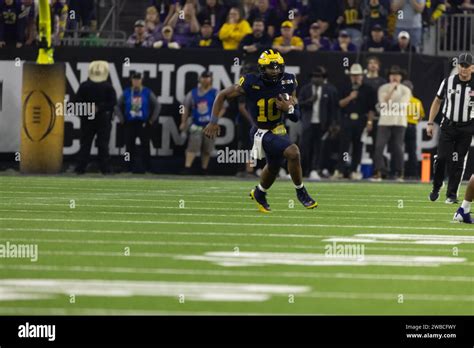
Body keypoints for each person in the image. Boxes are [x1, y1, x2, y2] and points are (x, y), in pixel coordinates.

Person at [203, 49, 318, 212]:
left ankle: (259, 193)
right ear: (262, 68)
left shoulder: (288, 81)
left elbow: (296, 117)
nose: (276, 70)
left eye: (278, 67)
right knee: (293, 152)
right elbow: (222, 95)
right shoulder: (250, 82)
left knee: (273, 167)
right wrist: (213, 122)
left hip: (279, 130)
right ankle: (301, 192)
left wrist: (289, 109)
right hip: (260, 131)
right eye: (271, 67)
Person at [427, 53, 474, 204]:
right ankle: (436, 186)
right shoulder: (448, 82)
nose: (464, 69)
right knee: (441, 158)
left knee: (458, 160)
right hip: (448, 126)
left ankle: (452, 194)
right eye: (461, 65)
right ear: (458, 66)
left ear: (472, 68)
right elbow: (437, 101)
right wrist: (430, 122)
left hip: (466, 127)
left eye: (467, 66)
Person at [333, 63, 376, 180]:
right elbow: (339, 104)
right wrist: (350, 97)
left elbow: (371, 109)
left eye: (358, 75)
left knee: (358, 146)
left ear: (362, 76)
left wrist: (369, 122)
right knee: (344, 146)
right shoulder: (344, 87)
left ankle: (353, 170)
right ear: (350, 76)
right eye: (353, 75)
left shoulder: (368, 89)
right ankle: (340, 170)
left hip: (361, 120)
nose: (356, 77)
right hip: (346, 119)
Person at [75, 61, 117, 175]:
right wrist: (99, 108)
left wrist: (91, 108)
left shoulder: (84, 85)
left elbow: (76, 101)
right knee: (100, 144)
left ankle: (81, 168)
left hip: (92, 118)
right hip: (101, 118)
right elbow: (113, 102)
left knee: (87, 143)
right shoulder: (108, 86)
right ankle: (104, 168)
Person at [371, 65, 411, 181]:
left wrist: (388, 104)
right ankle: (379, 171)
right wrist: (390, 91)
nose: (395, 77)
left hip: (399, 122)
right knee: (379, 146)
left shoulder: (405, 90)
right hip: (384, 121)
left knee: (398, 147)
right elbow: (382, 104)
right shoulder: (383, 88)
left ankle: (399, 172)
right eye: (392, 75)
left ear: (401, 77)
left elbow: (402, 106)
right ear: (389, 77)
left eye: (397, 75)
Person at [115, 72, 161, 173]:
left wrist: (152, 120)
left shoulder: (147, 92)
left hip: (143, 123)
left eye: (138, 79)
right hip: (130, 123)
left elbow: (157, 105)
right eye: (134, 79)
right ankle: (128, 167)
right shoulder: (127, 92)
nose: (136, 81)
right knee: (129, 146)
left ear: (141, 80)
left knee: (145, 146)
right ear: (131, 80)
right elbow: (116, 106)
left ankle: (147, 167)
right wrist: (121, 118)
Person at [298, 67, 338, 180]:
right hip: (307, 123)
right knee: (305, 147)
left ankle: (314, 170)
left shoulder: (328, 90)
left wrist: (332, 124)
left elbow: (332, 109)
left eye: (319, 77)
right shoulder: (305, 89)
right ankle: (302, 170)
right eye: (314, 76)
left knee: (318, 148)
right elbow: (298, 104)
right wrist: (309, 101)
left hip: (321, 124)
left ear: (323, 78)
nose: (316, 79)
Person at [180, 71, 223, 174]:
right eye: (203, 77)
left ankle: (204, 168)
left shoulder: (216, 93)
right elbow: (184, 107)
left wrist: (215, 120)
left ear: (211, 79)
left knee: (208, 148)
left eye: (207, 77)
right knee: (192, 146)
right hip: (196, 124)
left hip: (210, 125)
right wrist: (183, 121)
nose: (205, 79)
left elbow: (223, 107)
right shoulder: (193, 93)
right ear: (200, 79)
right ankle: (187, 167)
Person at [402, 80, 425, 179]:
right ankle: (413, 174)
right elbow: (420, 116)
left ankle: (398, 172)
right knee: (412, 151)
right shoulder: (416, 101)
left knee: (398, 150)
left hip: (401, 126)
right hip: (412, 126)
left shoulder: (401, 101)